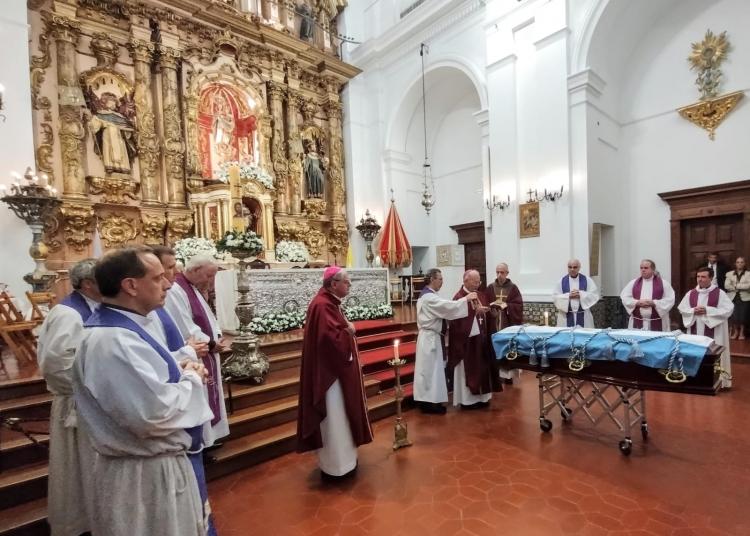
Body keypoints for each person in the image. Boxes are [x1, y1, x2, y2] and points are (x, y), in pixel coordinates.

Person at [73, 248, 213, 535]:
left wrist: (179, 363)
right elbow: (153, 415)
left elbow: (146, 375)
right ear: (131, 285)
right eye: (158, 277)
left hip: (156, 466)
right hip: (143, 476)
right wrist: (192, 377)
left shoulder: (127, 329)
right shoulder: (113, 341)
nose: (168, 284)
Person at [37, 259, 101, 536]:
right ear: (87, 284)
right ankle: (79, 524)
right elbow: (57, 363)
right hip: (76, 404)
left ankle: (96, 518)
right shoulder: (68, 314)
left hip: (89, 401)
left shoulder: (91, 307)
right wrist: (98, 385)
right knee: (77, 471)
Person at [297, 267, 373, 480]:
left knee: (340, 419)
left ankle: (344, 461)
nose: (349, 285)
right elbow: (329, 341)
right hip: (330, 377)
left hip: (333, 372)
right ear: (333, 284)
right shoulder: (323, 305)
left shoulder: (328, 303)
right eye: (346, 282)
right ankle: (337, 467)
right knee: (336, 418)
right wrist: (349, 332)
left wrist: (347, 330)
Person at [164, 255, 230, 448]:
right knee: (203, 395)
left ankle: (212, 436)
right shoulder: (176, 290)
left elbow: (206, 317)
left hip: (204, 348)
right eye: (208, 275)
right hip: (195, 351)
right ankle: (204, 440)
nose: (210, 281)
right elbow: (186, 325)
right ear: (194, 270)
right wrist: (209, 344)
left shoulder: (191, 287)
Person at [414, 268, 476, 414]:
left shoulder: (429, 295)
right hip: (429, 339)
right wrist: (465, 299)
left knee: (431, 371)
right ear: (432, 279)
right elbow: (447, 306)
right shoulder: (429, 298)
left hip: (431, 337)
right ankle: (429, 404)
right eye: (440, 279)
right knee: (430, 372)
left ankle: (431, 401)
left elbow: (444, 307)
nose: (442, 281)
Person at [678, 266, 734, 389]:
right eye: (698, 276)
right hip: (695, 330)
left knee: (714, 353)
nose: (700, 279)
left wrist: (707, 310)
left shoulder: (720, 293)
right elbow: (682, 309)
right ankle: (695, 378)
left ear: (711, 278)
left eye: (703, 277)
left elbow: (728, 309)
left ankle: (719, 381)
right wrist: (693, 311)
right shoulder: (691, 293)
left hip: (715, 331)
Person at [449, 270, 498, 409]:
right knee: (469, 370)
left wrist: (492, 314)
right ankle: (468, 401)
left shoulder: (481, 295)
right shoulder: (458, 297)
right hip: (467, 343)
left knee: (483, 367)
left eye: (479, 282)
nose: (477, 284)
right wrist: (473, 313)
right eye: (475, 282)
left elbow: (486, 316)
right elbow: (455, 323)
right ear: (465, 281)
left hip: (481, 341)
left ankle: (483, 398)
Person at [484, 262, 524, 383]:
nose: (499, 275)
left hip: (507, 322)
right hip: (493, 322)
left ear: (507, 273)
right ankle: (495, 374)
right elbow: (486, 302)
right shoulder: (490, 287)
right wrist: (491, 308)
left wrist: (507, 305)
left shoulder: (513, 287)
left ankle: (508, 377)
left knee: (508, 347)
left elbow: (519, 305)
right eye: (497, 272)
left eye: (502, 272)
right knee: (494, 347)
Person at [620, 259, 675, 331]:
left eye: (646, 268)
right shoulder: (633, 283)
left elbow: (670, 299)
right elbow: (625, 297)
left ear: (653, 269)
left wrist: (654, 303)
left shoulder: (664, 283)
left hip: (657, 321)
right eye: (641, 268)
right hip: (637, 321)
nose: (643, 270)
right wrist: (637, 302)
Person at [553, 259, 600, 328]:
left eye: (575, 267)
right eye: (570, 267)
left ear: (579, 268)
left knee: (584, 337)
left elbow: (594, 295)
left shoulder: (587, 280)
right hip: (566, 317)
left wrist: (581, 295)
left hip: (583, 316)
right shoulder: (561, 281)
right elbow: (555, 297)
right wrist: (568, 296)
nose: (572, 269)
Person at [725, 256, 750, 340]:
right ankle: (735, 332)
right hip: (733, 297)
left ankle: (742, 332)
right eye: (738, 262)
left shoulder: (748, 274)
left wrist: (735, 285)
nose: (739, 264)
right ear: (735, 264)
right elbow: (726, 285)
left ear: (744, 263)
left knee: (743, 316)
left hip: (745, 297)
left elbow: (748, 286)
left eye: (741, 262)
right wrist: (741, 286)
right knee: (734, 316)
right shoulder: (729, 274)